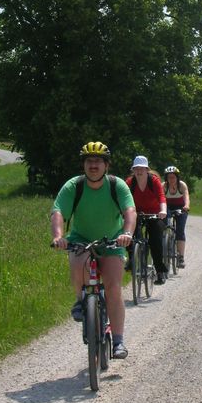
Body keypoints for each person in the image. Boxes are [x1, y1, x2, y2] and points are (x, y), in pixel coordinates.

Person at [50, 141, 136, 359]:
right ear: (84, 165)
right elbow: (58, 212)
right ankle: (81, 301)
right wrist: (59, 236)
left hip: (112, 241)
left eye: (98, 161)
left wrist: (127, 233)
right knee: (79, 263)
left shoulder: (117, 185)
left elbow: (130, 211)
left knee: (114, 287)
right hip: (82, 239)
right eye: (89, 161)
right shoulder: (74, 186)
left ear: (107, 165)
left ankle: (118, 341)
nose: (93, 165)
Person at [125, 155, 168, 285]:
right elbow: (123, 199)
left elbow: (161, 197)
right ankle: (132, 259)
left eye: (142, 169)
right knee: (128, 233)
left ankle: (160, 271)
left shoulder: (153, 181)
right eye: (136, 169)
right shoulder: (129, 182)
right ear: (133, 170)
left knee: (155, 240)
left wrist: (163, 210)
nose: (139, 171)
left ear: (147, 169)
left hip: (155, 214)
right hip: (136, 213)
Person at [163, 165, 190, 269]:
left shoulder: (181, 185)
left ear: (177, 177)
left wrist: (186, 206)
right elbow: (159, 200)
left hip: (181, 208)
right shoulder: (163, 186)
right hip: (167, 207)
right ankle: (164, 245)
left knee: (180, 230)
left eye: (173, 177)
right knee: (162, 226)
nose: (171, 179)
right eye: (169, 177)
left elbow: (186, 197)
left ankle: (181, 257)